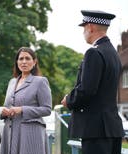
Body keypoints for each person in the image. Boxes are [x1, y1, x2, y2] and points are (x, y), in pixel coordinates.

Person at [61, 10, 124, 154]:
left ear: (90, 27)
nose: (83, 32)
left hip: (95, 130)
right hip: (112, 128)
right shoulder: (113, 53)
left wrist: (68, 100)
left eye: (84, 28)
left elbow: (87, 89)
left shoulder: (94, 52)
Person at [0, 47, 52, 154]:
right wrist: (4, 112)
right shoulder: (12, 82)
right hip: (10, 133)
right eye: (21, 58)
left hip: (30, 134)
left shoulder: (40, 81)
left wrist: (22, 110)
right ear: (17, 62)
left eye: (27, 58)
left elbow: (47, 109)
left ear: (34, 62)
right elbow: (7, 105)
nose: (24, 62)